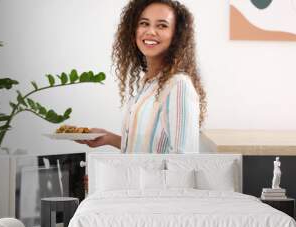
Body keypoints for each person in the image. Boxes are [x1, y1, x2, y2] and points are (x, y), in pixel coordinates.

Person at [76, 0, 206, 153]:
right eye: (144, 23)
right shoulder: (148, 83)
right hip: (132, 176)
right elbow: (146, 147)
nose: (150, 31)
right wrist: (108, 138)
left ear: (176, 36)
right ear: (134, 30)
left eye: (162, 25)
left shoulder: (178, 85)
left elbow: (183, 159)